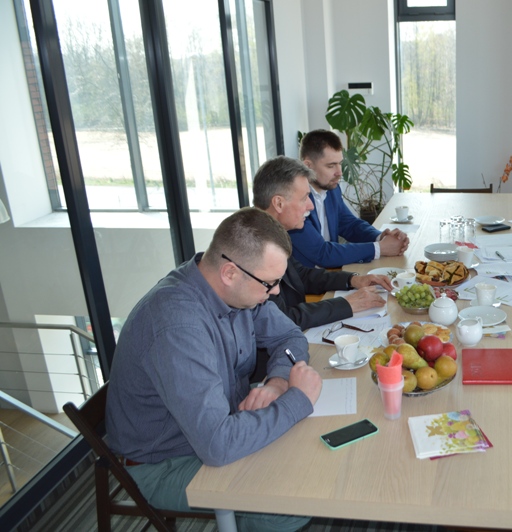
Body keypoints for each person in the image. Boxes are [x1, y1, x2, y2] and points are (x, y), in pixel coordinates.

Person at [106, 208, 322, 531]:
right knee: (293, 502)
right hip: (166, 461)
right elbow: (217, 445)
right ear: (230, 272)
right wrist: (297, 401)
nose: (276, 292)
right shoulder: (177, 325)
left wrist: (278, 383)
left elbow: (290, 336)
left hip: (220, 424)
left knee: (309, 454)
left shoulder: (236, 292)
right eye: (270, 283)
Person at [252, 155, 393, 330]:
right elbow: (281, 319)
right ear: (279, 203)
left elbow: (301, 275)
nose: (310, 206)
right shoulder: (251, 248)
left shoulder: (271, 231)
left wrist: (353, 280)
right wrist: (346, 304)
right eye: (304, 198)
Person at [289, 129, 409, 268]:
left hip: (331, 272)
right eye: (331, 166)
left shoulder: (331, 189)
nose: (339, 172)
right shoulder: (294, 200)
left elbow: (349, 224)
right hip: (308, 279)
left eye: (340, 163)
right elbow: (322, 253)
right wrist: (380, 248)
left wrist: (380, 237)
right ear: (308, 166)